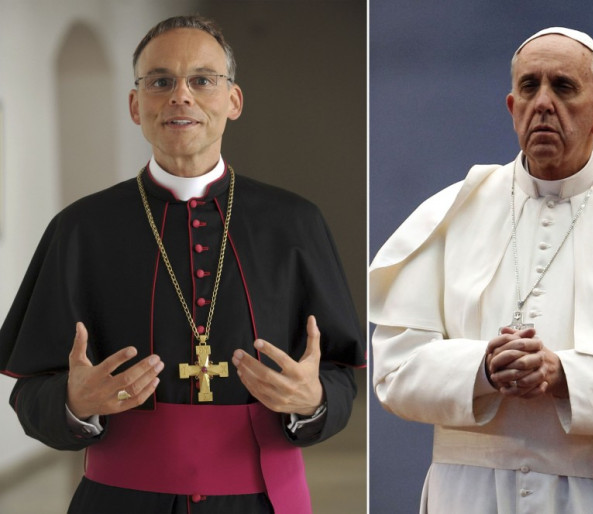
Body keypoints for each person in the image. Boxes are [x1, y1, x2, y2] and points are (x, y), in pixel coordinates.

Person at [0, 15, 364, 514]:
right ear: (135, 105)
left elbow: (343, 371)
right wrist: (75, 402)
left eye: (202, 80)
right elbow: (30, 391)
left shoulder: (295, 223)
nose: (181, 96)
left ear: (233, 101)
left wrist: (314, 398)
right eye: (161, 81)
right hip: (120, 503)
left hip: (258, 503)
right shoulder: (81, 229)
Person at [370, 27, 593, 514]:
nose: (543, 102)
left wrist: (565, 375)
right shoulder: (450, 215)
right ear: (511, 106)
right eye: (529, 87)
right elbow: (394, 374)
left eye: (563, 87)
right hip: (471, 496)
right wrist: (480, 368)